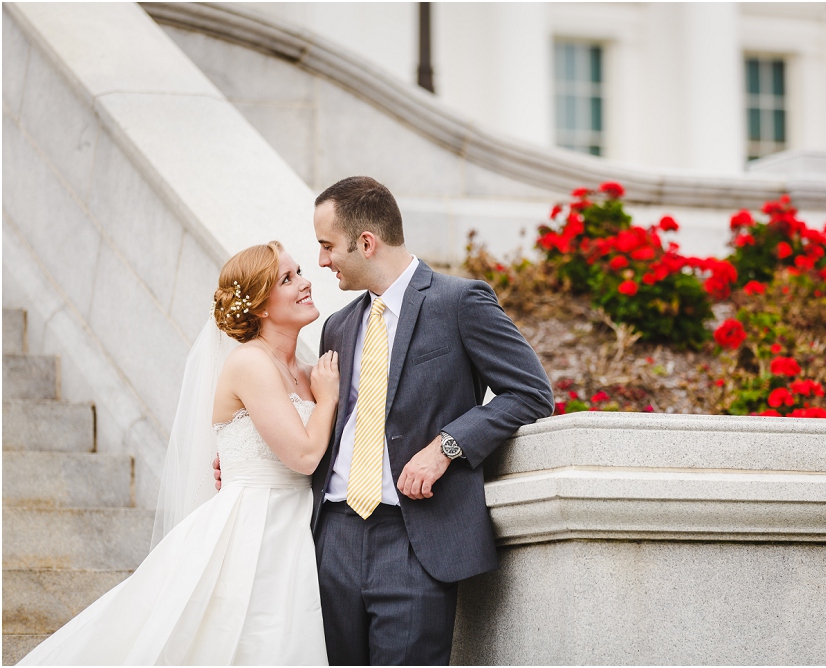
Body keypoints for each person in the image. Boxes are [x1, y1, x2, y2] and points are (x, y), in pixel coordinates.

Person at [18, 241, 337, 665]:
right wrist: (328, 398)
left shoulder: (303, 369)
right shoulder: (250, 362)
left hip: (297, 525)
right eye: (288, 278)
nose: (305, 282)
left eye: (299, 272)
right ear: (260, 305)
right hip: (254, 530)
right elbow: (303, 456)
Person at [310, 176, 554, 665]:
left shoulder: (460, 302)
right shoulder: (337, 326)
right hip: (331, 535)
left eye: (326, 246)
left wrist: (447, 446)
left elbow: (531, 392)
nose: (321, 261)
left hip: (414, 539)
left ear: (365, 242)